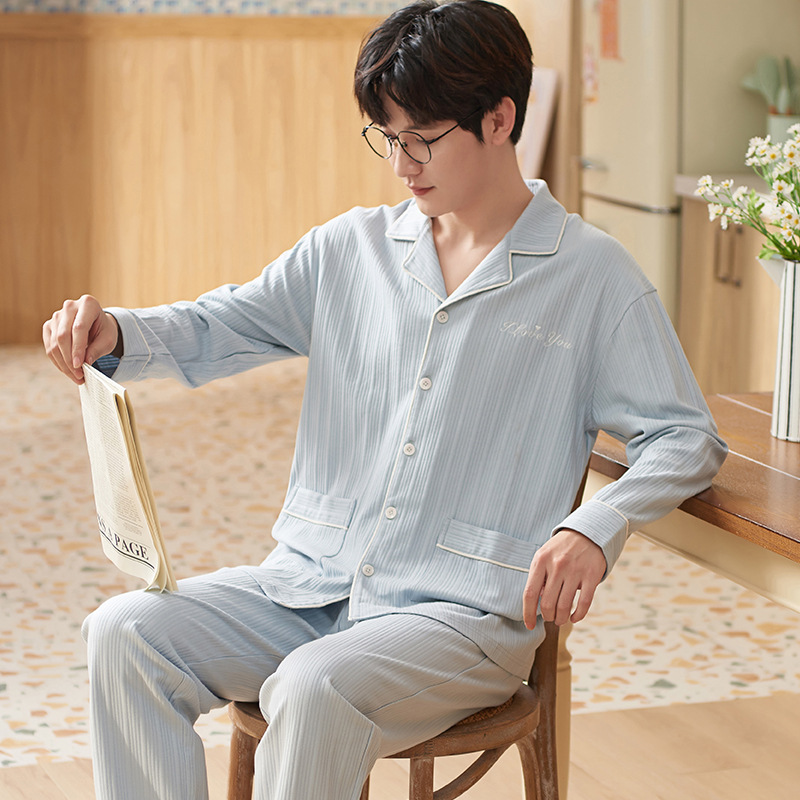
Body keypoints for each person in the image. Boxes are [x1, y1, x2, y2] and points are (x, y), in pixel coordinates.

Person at [42, 2, 727, 798]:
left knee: (313, 685)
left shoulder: (593, 276)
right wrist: (117, 331)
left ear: (500, 118)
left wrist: (597, 525)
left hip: (461, 617)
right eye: (389, 137)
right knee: (124, 633)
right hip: (310, 585)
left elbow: (686, 435)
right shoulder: (352, 248)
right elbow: (223, 321)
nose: (402, 164)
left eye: (422, 138)